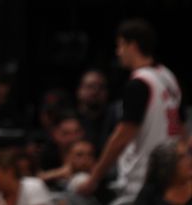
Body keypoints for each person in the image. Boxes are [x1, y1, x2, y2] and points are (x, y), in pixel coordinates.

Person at [77, 19, 184, 205]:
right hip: (170, 176)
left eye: (120, 46)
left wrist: (94, 178)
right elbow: (182, 129)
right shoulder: (168, 77)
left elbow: (122, 136)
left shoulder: (139, 83)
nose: (118, 52)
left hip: (142, 181)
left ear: (132, 45)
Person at [134, 139, 192, 205]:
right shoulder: (151, 191)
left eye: (188, 154)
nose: (190, 160)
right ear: (168, 166)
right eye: (181, 158)